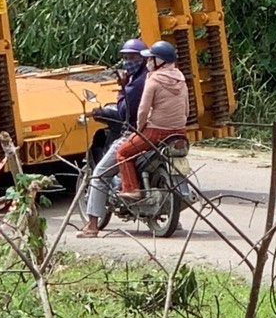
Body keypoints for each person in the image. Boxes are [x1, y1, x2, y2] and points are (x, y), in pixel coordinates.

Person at [80, 39, 192, 237]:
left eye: (134, 58)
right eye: (125, 57)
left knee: (102, 171)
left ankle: (94, 224)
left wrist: (139, 128)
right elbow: (186, 108)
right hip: (178, 132)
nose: (129, 62)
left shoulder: (151, 79)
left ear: (158, 61)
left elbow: (137, 111)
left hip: (152, 131)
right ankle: (172, 214)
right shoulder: (180, 78)